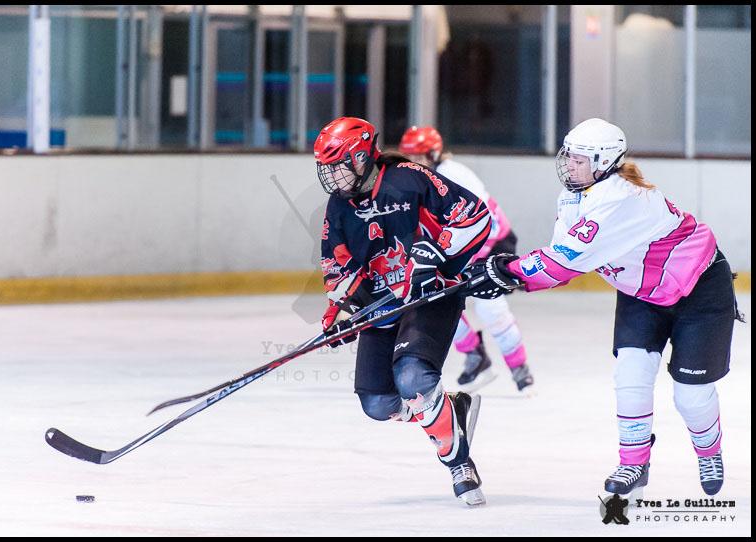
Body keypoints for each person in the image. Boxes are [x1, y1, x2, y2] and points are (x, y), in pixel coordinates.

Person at [472, 118, 743, 496]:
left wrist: (507, 271)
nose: (569, 165)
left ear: (603, 162)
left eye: (579, 160)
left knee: (691, 396)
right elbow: (560, 262)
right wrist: (511, 276)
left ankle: (708, 451)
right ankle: (634, 462)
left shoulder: (622, 200)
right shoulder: (573, 196)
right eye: (568, 156)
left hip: (700, 290)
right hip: (641, 293)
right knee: (631, 376)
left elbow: (565, 262)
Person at [315, 116, 495, 505]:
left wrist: (437, 254)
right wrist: (342, 312)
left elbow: (476, 216)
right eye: (325, 168)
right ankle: (449, 408)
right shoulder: (339, 206)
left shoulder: (409, 178)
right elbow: (336, 266)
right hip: (383, 307)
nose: (330, 176)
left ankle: (458, 462)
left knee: (412, 378)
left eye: (337, 165)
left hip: (431, 296)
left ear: (361, 157)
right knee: (378, 404)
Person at [399, 126, 533, 393]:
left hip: (490, 244)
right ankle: (475, 356)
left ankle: (520, 369)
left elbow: (485, 219)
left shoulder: (454, 174)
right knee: (434, 301)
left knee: (490, 308)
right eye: (409, 157)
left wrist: (470, 258)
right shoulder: (419, 179)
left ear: (433, 154)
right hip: (458, 249)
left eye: (418, 157)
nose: (413, 163)